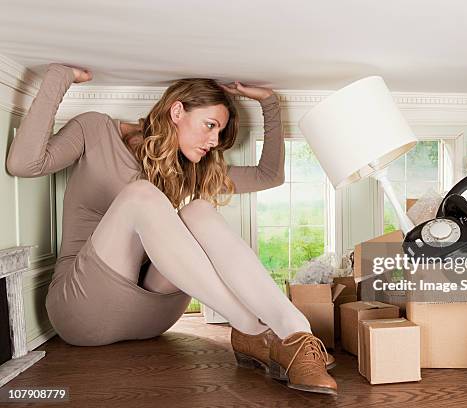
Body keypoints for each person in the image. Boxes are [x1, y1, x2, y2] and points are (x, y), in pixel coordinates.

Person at [6, 63, 337, 395]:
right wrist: (58, 78)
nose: (214, 140)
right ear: (177, 111)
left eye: (219, 132)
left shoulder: (189, 167)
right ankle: (251, 327)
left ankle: (294, 332)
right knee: (141, 195)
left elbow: (269, 176)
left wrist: (270, 104)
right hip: (84, 308)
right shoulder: (96, 130)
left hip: (154, 316)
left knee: (199, 211)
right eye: (210, 126)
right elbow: (23, 164)